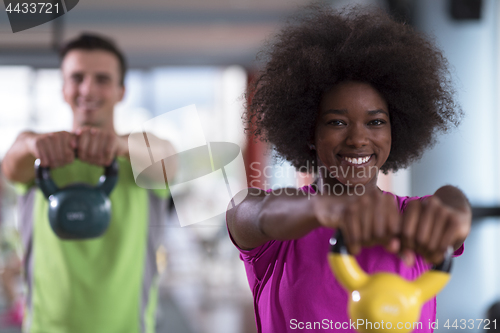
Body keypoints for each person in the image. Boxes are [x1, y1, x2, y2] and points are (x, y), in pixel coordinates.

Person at [226, 5, 471, 333]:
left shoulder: (414, 221)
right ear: (310, 133)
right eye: (337, 122)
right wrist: (326, 207)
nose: (358, 138)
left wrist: (455, 207)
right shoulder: (275, 232)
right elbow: (250, 212)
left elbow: (452, 207)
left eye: (376, 122)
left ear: (395, 130)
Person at [1, 33, 175, 333]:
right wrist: (32, 144)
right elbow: (11, 165)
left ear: (121, 91)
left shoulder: (141, 158)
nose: (87, 88)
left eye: (102, 79)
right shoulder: (39, 158)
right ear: (63, 88)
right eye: (77, 77)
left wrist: (118, 146)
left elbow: (169, 158)